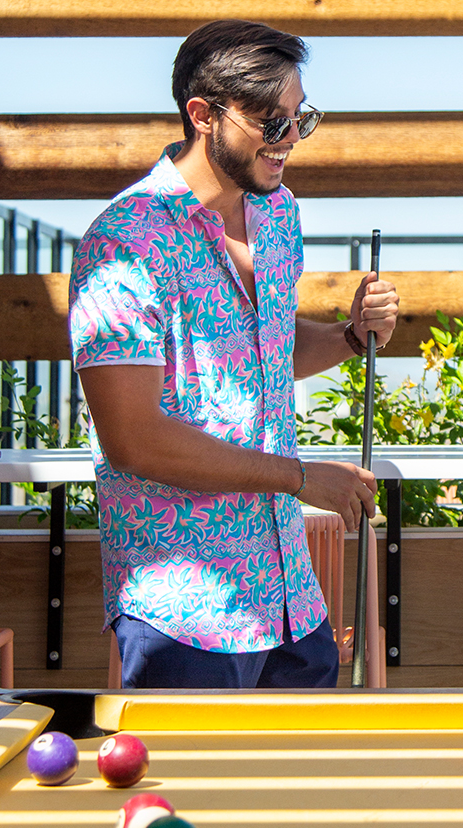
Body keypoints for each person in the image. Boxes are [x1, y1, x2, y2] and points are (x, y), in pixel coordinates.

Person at [68, 19, 399, 690]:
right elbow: (133, 439)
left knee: (301, 793)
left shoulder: (278, 214)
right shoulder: (124, 241)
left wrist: (346, 336)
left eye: (298, 119)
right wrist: (303, 480)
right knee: (190, 795)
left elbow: (267, 346)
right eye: (269, 122)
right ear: (202, 115)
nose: (288, 142)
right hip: (185, 610)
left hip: (288, 600)